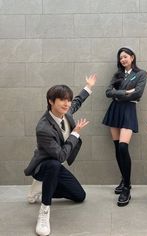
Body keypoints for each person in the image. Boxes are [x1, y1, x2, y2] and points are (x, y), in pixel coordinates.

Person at [24, 74, 96, 236]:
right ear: (51, 101)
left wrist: (88, 87)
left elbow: (77, 102)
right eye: (62, 100)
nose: (67, 103)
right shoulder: (43, 128)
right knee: (54, 164)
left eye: (68, 100)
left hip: (55, 167)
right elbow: (61, 156)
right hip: (44, 165)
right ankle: (44, 210)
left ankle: (41, 187)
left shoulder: (66, 113)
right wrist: (75, 133)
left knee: (79, 196)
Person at [102, 47, 147, 207]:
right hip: (115, 111)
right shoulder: (117, 74)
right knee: (116, 147)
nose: (123, 60)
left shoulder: (141, 74)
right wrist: (126, 92)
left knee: (123, 148)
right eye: (121, 58)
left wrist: (118, 93)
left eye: (125, 56)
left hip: (128, 112)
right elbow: (108, 92)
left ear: (132, 57)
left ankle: (127, 187)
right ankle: (124, 179)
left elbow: (138, 94)